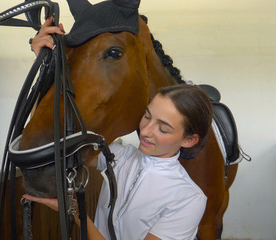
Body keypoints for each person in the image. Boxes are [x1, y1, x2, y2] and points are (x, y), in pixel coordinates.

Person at [24, 18, 213, 240]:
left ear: (189, 140)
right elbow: (55, 136)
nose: (145, 131)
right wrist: (46, 62)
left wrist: (76, 213)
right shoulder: (121, 157)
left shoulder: (188, 199)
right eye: (147, 116)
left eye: (163, 128)